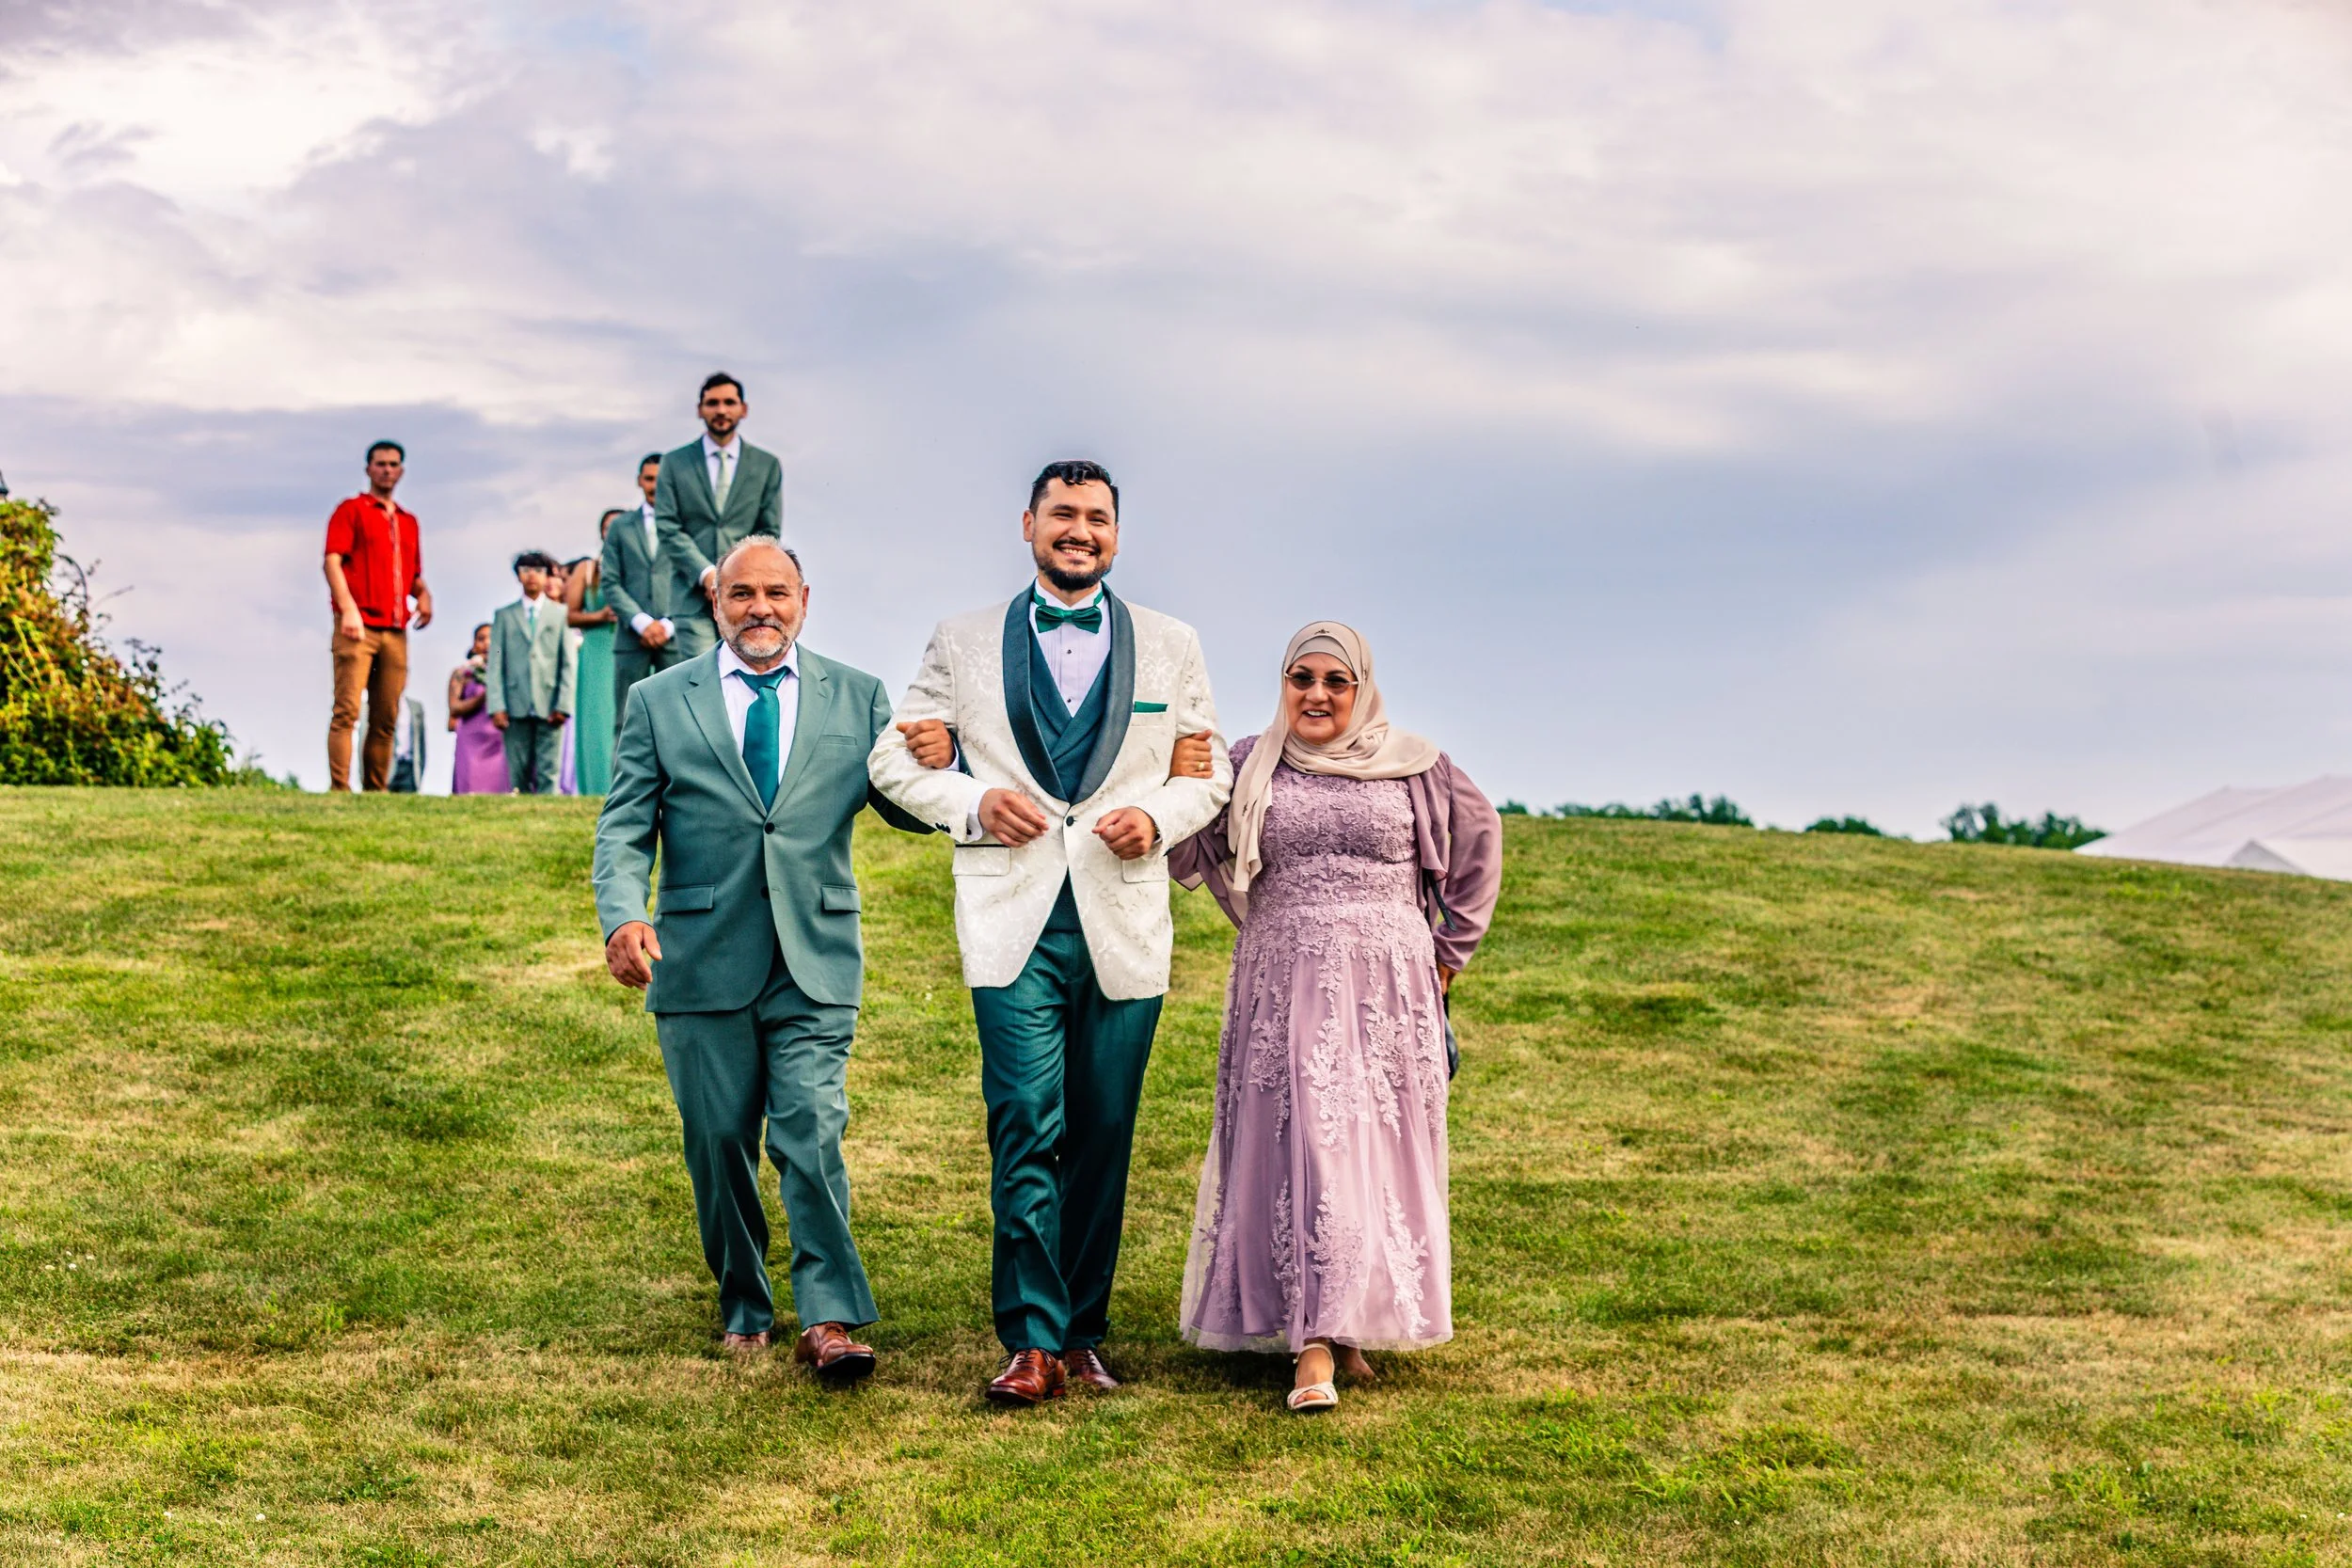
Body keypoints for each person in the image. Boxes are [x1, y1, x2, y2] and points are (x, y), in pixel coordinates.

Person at [868, 459, 1232, 1405]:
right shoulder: (961, 640)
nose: (1080, 529)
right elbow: (890, 759)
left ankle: (1081, 1333)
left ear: (1117, 533)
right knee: (1027, 1121)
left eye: (1097, 517)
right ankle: (1029, 1337)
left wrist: (1158, 815)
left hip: (1123, 917)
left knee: (1105, 1131)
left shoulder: (1170, 643)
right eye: (1062, 513)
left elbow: (1209, 772)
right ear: (1027, 523)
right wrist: (975, 800)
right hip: (1009, 921)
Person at [594, 537, 931, 1380]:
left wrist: (941, 765)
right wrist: (622, 915)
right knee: (716, 1141)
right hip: (699, 958)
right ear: (717, 604)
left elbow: (910, 809)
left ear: (805, 599)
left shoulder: (856, 698)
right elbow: (626, 823)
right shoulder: (659, 699)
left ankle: (829, 1316)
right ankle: (744, 1297)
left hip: (814, 958)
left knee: (812, 1130)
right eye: (742, 594)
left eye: (777, 593)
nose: (760, 609)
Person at [1168, 623, 1502, 1413]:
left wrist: (1449, 953)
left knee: (1370, 1147)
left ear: (1362, 687)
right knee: (1308, 1136)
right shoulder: (1250, 760)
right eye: (1301, 677)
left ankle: (1347, 1323)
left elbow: (1480, 843)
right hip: (1285, 974)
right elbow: (1188, 844)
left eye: (1335, 680)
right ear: (1283, 683)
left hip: (1390, 983)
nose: (1316, 694)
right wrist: (1175, 772)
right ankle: (1312, 1340)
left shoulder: (1416, 764)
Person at [323, 440, 434, 791]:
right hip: (357, 626)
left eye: (393, 464)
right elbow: (332, 561)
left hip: (395, 629)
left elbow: (412, 575)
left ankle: (375, 791)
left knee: (387, 715)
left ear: (401, 471)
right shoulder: (351, 510)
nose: (387, 470)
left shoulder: (408, 522)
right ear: (368, 469)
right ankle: (340, 789)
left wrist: (424, 595)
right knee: (347, 711)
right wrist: (348, 609)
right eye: (381, 464)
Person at [654, 374, 784, 661]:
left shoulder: (766, 465)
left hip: (747, 599)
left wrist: (735, 576)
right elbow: (667, 526)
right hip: (691, 598)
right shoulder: (674, 463)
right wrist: (706, 575)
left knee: (744, 676)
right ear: (700, 410)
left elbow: (768, 531)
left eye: (729, 402)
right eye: (712, 403)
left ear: (743, 409)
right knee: (701, 681)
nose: (721, 410)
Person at [603, 452, 683, 730]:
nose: (655, 486)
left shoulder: (687, 526)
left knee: (677, 719)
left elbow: (695, 578)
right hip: (630, 639)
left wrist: (668, 625)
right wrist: (642, 623)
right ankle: (625, 776)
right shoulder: (620, 527)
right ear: (640, 481)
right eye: (649, 479)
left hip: (676, 638)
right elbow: (610, 581)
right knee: (626, 721)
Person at [485, 550, 577, 794]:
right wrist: (496, 705)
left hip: (550, 702)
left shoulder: (559, 614)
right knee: (518, 771)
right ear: (518, 576)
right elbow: (495, 663)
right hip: (515, 703)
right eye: (526, 570)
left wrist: (564, 704)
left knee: (550, 770)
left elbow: (568, 662)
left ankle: (548, 820)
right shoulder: (504, 616)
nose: (532, 576)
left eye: (538, 570)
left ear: (547, 576)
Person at [567, 538, 618, 795]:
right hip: (598, 649)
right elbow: (570, 614)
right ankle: (598, 788)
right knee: (598, 720)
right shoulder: (587, 569)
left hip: (633, 644)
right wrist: (599, 616)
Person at [449, 623, 509, 795]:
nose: (487, 643)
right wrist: (483, 696)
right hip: (471, 741)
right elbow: (454, 708)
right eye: (481, 639)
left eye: (492, 638)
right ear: (474, 644)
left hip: (499, 740)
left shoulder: (507, 673)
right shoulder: (463, 673)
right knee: (470, 785)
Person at [388, 694, 429, 793]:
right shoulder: (382, 705)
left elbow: (421, 743)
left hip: (409, 767)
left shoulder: (415, 707)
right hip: (389, 765)